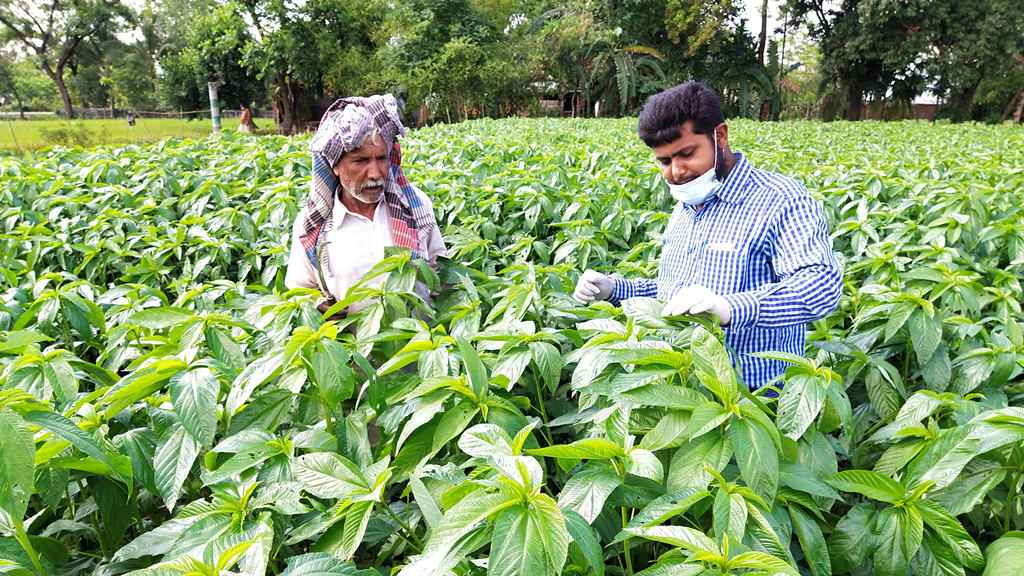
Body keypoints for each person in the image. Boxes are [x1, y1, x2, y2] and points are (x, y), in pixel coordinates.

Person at [573, 81, 842, 391]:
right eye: (664, 161)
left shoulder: (781, 200)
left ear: (720, 136)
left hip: (755, 399)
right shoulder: (685, 205)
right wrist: (613, 289)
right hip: (684, 385)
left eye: (687, 154)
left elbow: (821, 286)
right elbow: (673, 293)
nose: (676, 172)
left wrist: (729, 308)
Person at [285, 94, 447, 317]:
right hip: (353, 350)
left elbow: (443, 278)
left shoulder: (416, 206)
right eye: (360, 161)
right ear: (336, 166)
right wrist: (314, 304)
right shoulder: (312, 224)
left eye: (381, 158)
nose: (375, 173)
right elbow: (299, 290)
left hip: (419, 345)